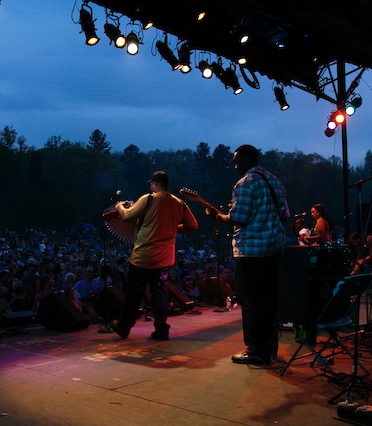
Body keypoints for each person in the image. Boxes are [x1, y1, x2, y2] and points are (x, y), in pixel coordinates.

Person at [204, 144, 289, 365]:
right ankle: (269, 349)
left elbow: (238, 218)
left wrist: (216, 216)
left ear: (244, 159)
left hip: (250, 250)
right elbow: (285, 214)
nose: (235, 166)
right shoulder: (274, 181)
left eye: (236, 161)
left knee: (251, 301)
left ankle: (256, 351)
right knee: (268, 301)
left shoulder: (245, 183)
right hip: (273, 250)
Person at [112, 170, 199, 340]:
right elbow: (193, 225)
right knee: (160, 293)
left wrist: (119, 207)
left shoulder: (149, 198)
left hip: (144, 257)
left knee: (134, 293)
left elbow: (127, 216)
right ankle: (161, 329)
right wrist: (172, 228)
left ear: (154, 184)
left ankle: (124, 327)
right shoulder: (179, 203)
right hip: (164, 259)